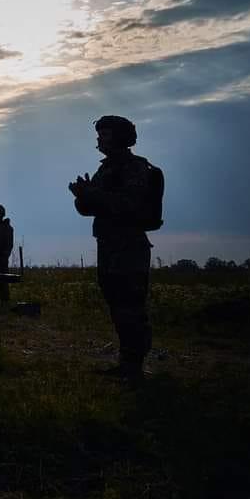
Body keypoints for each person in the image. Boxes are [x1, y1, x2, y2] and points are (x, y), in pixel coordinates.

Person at [69, 115, 157, 381]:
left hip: (129, 245)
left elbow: (128, 204)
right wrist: (83, 196)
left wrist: (93, 196)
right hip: (108, 244)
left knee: (130, 306)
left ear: (119, 137)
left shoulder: (135, 168)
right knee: (117, 305)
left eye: (105, 134)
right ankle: (127, 365)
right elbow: (90, 209)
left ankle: (134, 367)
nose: (99, 139)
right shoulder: (106, 169)